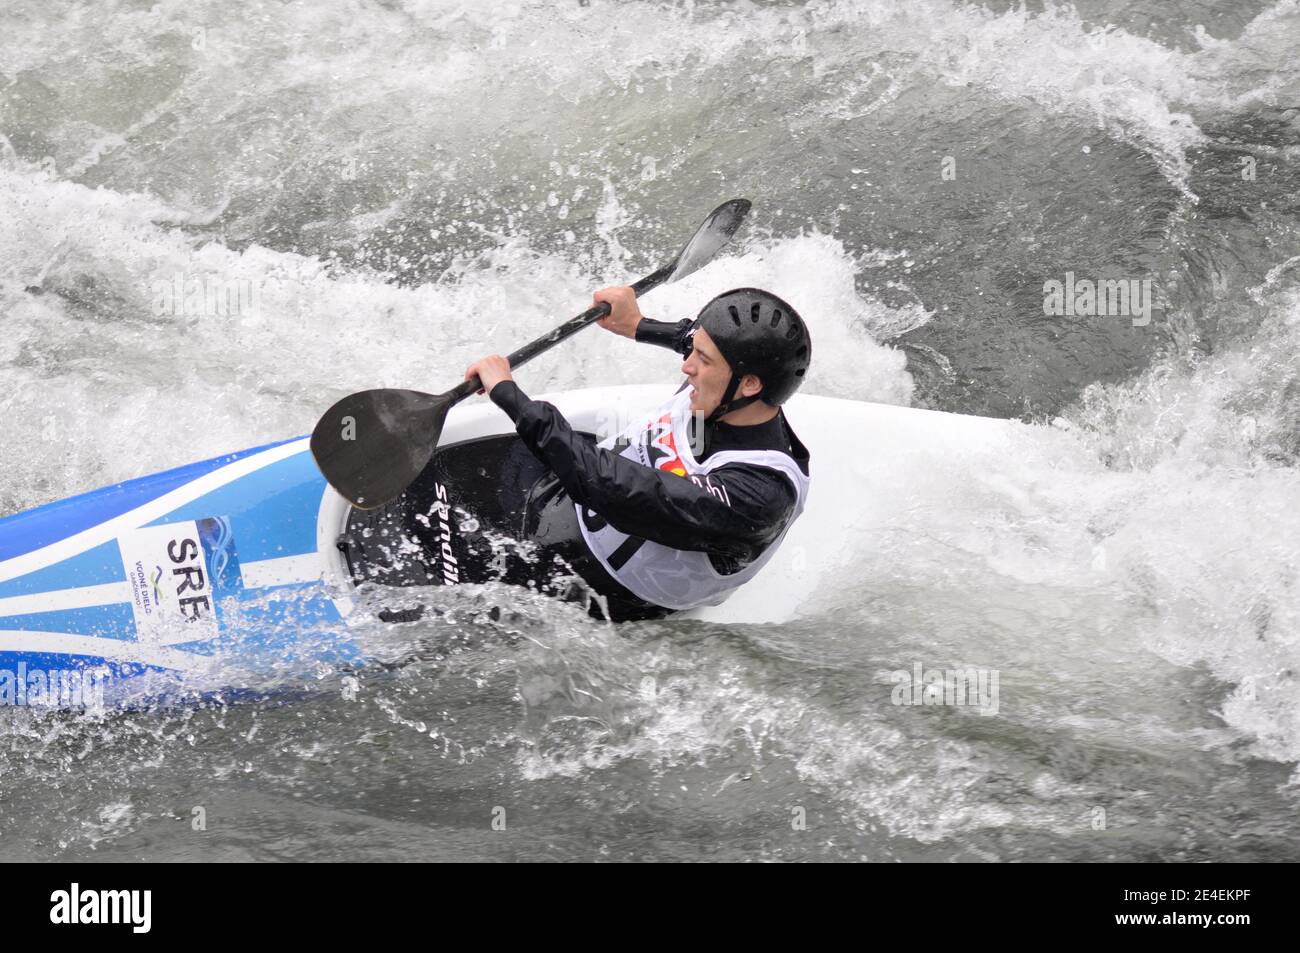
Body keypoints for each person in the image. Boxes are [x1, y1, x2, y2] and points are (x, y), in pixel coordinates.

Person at [458, 285, 813, 621]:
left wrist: (509, 394)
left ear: (750, 383)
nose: (687, 366)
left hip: (598, 591)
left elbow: (613, 488)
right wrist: (637, 324)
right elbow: (692, 338)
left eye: (701, 359)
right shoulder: (729, 390)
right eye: (693, 352)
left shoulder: (757, 495)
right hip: (565, 499)